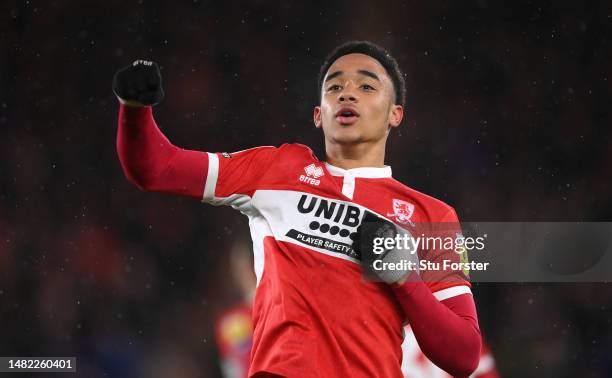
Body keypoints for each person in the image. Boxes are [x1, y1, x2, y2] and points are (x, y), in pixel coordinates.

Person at [112, 41, 481, 377]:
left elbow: (463, 355)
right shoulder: (274, 170)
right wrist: (135, 110)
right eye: (334, 87)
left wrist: (406, 281)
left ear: (395, 114)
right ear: (319, 114)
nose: (347, 93)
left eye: (367, 86)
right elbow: (156, 167)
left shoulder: (432, 216)